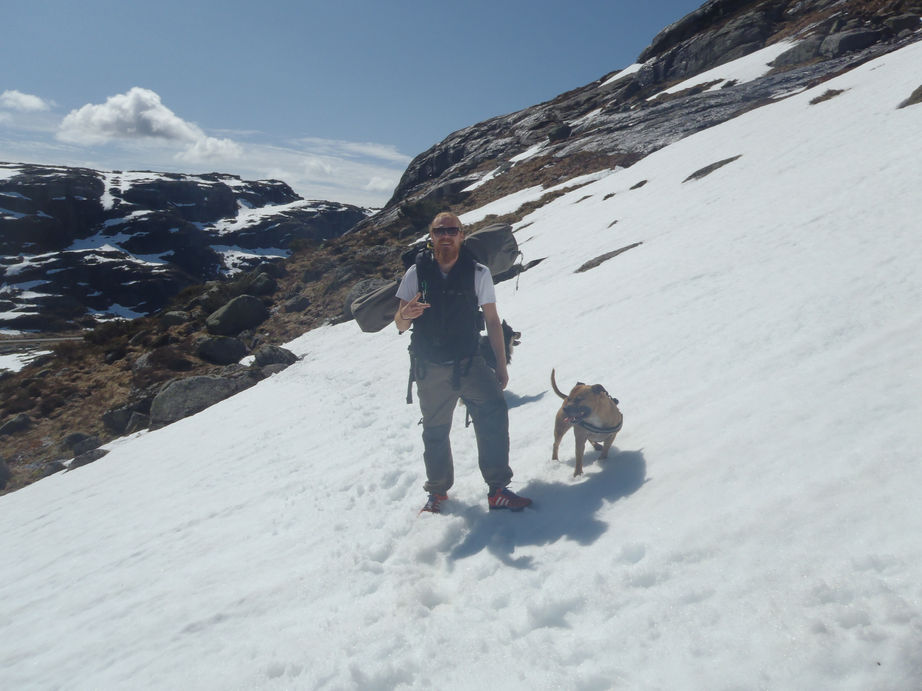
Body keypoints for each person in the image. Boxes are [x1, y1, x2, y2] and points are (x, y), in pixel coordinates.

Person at [395, 211, 532, 514]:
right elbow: (400, 324)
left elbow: (492, 321)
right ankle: (438, 492)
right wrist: (405, 314)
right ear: (431, 236)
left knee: (493, 414)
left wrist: (501, 365)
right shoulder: (416, 273)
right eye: (439, 231)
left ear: (462, 234)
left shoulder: (478, 272)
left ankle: (497, 489)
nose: (445, 235)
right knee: (435, 430)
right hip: (429, 366)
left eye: (451, 230)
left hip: (469, 362)